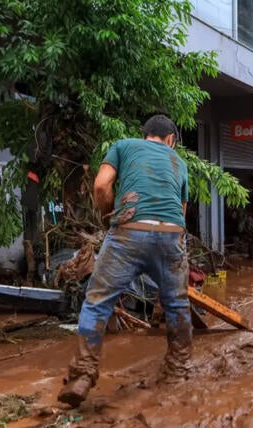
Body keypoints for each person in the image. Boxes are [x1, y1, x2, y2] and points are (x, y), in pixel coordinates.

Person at [58, 115, 191, 407]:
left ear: (146, 135)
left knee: (97, 302)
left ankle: (82, 375)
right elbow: (181, 213)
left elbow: (101, 186)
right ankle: (178, 373)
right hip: (171, 235)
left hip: (128, 232)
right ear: (171, 140)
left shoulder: (123, 145)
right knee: (177, 304)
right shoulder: (179, 163)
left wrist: (109, 216)